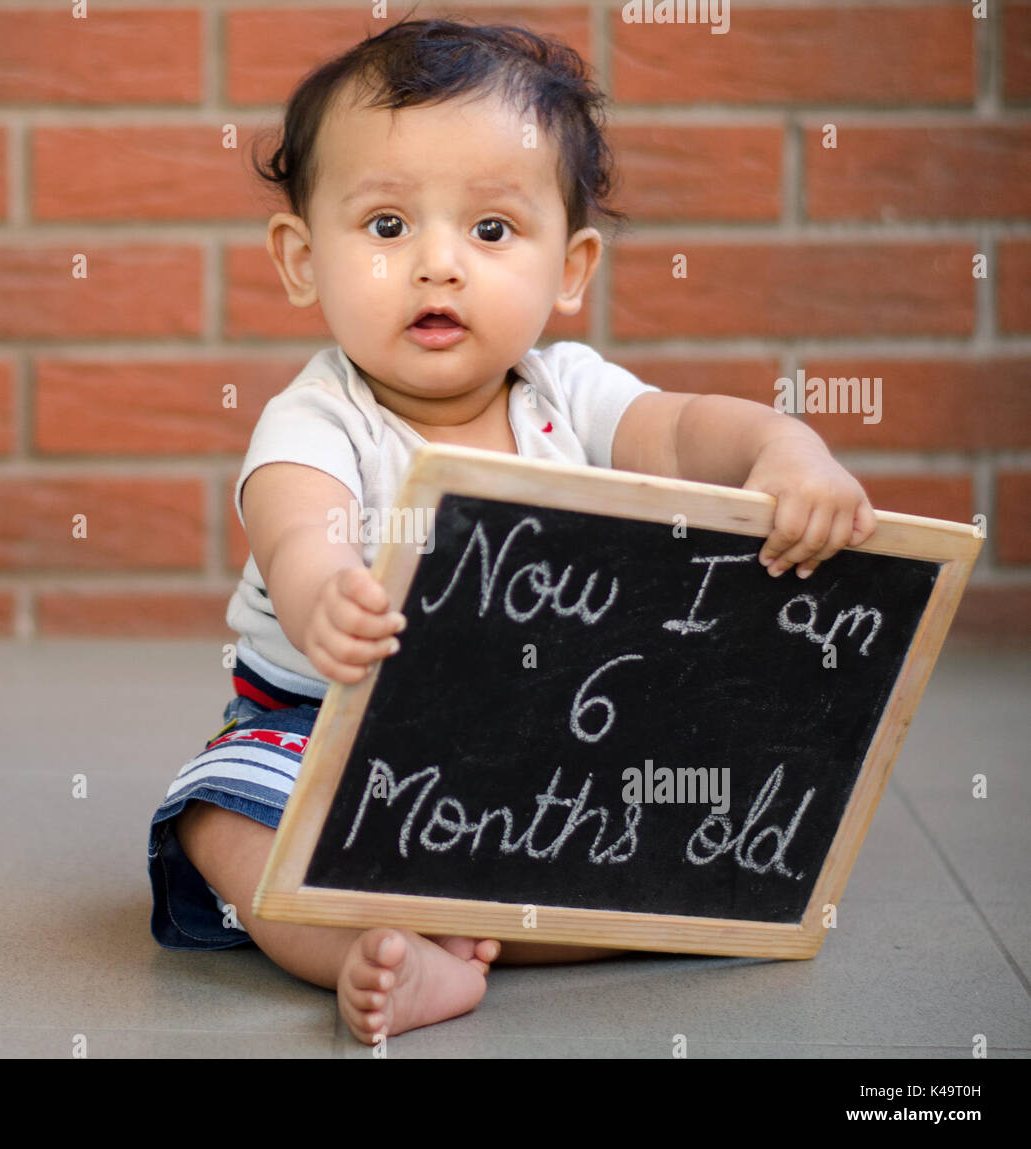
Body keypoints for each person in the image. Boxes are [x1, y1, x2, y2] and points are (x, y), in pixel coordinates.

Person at [147, 17, 877, 1045]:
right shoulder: (321, 418)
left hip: (532, 745)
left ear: (569, 268)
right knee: (221, 817)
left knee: (651, 813)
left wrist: (785, 449)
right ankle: (358, 955)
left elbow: (679, 429)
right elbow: (296, 521)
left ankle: (524, 918)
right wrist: (322, 592)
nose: (437, 266)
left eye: (490, 231)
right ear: (301, 258)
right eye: (387, 226)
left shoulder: (567, 393)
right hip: (326, 733)